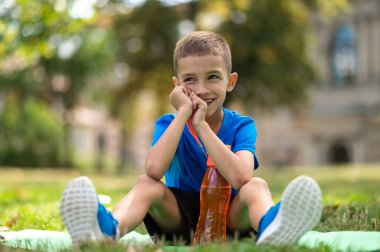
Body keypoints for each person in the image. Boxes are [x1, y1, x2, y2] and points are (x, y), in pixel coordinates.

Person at [59, 31, 322, 246]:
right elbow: (153, 170)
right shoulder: (168, 124)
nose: (202, 89)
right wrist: (184, 114)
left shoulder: (242, 125)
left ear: (230, 81)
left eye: (213, 77)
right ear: (177, 85)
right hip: (178, 221)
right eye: (190, 80)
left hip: (229, 220)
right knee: (146, 185)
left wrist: (202, 126)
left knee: (257, 186)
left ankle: (271, 227)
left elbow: (242, 177)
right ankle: (106, 230)